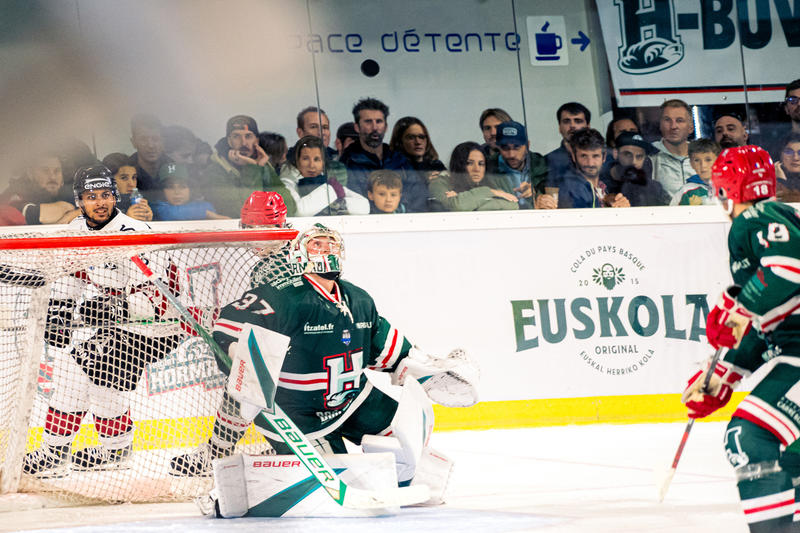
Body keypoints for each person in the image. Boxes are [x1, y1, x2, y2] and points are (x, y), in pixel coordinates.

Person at [207, 223, 478, 502]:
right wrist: (240, 353)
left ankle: (404, 482)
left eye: (331, 244)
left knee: (406, 444)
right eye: (317, 244)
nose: (326, 250)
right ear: (300, 253)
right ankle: (263, 474)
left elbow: (389, 349)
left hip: (355, 400)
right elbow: (228, 327)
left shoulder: (358, 299)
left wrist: (430, 372)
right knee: (334, 488)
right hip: (297, 414)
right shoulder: (283, 295)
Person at [20, 165, 182, 475]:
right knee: (104, 383)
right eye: (91, 196)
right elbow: (74, 273)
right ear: (79, 200)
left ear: (115, 196)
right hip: (122, 326)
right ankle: (115, 450)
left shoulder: (134, 234)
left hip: (157, 328)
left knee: (72, 369)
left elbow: (163, 299)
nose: (100, 202)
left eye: (106, 194)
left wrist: (118, 308)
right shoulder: (79, 231)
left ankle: (54, 454)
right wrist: (60, 308)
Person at [679, 145, 800, 532]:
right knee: (793, 458)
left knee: (748, 436)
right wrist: (720, 377)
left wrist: (738, 308)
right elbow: (767, 323)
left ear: (722, 191)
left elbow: (788, 270)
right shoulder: (780, 216)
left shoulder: (754, 219)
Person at [169, 191, 291, 476]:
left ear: (280, 226)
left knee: (243, 384)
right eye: (250, 228)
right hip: (302, 346)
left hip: (300, 349)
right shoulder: (281, 256)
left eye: (264, 229)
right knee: (248, 382)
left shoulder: (275, 265)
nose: (255, 237)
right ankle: (282, 447)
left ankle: (216, 454)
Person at [339, 97, 428, 213]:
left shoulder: (400, 160)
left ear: (386, 127)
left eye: (379, 121)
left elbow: (419, 200)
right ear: (357, 127)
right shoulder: (347, 163)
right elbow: (354, 204)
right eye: (368, 122)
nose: (375, 127)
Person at [197, 114, 295, 218]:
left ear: (256, 141)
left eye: (248, 136)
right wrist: (252, 168)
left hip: (264, 230)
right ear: (229, 141)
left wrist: (260, 167)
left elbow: (289, 207)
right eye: (236, 137)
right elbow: (243, 212)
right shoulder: (214, 172)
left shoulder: (261, 165)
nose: (243, 143)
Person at [279, 136, 369, 216]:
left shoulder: (330, 184)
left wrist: (338, 204)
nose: (312, 165)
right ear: (297, 162)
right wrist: (330, 193)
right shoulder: (288, 184)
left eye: (317, 159)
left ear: (323, 164)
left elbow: (364, 207)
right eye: (305, 158)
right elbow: (299, 211)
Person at [429, 141, 518, 212]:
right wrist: (489, 192)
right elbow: (457, 206)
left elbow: (513, 205)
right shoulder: (438, 183)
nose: (477, 169)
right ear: (459, 165)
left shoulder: (487, 183)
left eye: (481, 164)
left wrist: (466, 200)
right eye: (470, 163)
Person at [0, 152, 80, 225]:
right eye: (45, 171)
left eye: (57, 171)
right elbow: (39, 215)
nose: (52, 177)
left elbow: (91, 209)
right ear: (30, 174)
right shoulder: (15, 195)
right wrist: (77, 212)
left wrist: (74, 214)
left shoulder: (70, 195)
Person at [559, 128, 630, 209]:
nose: (590, 163)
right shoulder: (572, 190)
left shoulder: (604, 188)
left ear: (604, 157)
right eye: (584, 156)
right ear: (573, 157)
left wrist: (623, 209)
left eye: (595, 156)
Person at [486, 121, 550, 210]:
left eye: (516, 147)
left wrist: (536, 195)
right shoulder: (486, 169)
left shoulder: (544, 166)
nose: (511, 154)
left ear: (527, 146)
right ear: (498, 147)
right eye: (505, 148)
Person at [604, 133, 670, 207]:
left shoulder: (655, 189)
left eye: (639, 156)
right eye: (628, 155)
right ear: (615, 153)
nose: (633, 162)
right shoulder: (601, 185)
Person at [151, 163, 228, 221]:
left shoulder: (202, 205)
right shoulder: (156, 207)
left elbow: (208, 207)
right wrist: (205, 213)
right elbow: (171, 213)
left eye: (182, 186)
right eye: (170, 187)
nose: (177, 192)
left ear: (191, 189)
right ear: (162, 190)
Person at [652, 99, 695, 198]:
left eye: (679, 120)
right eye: (667, 120)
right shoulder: (650, 155)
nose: (673, 126)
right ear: (660, 125)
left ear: (691, 127)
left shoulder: (704, 155)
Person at [545, 102, 591, 185]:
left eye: (578, 121)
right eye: (566, 121)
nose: (572, 125)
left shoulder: (601, 157)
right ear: (559, 128)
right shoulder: (547, 161)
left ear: (588, 127)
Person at [101, 152, 153, 221]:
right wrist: (127, 220)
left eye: (134, 178)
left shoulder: (140, 202)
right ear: (108, 181)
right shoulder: (99, 206)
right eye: (124, 178)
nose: (131, 184)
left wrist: (148, 220)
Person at [127, 114, 170, 197]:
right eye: (143, 139)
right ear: (133, 142)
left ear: (163, 141)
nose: (151, 145)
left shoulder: (174, 169)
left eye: (155, 139)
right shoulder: (123, 172)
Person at [670, 139, 721, 206]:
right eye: (697, 160)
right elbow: (672, 215)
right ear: (691, 164)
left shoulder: (730, 188)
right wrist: (691, 209)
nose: (703, 165)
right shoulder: (685, 191)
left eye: (708, 160)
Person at [775, 131, 800, 203]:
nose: (795, 158)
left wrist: (781, 180)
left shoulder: (780, 179)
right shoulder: (770, 180)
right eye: (789, 152)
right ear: (780, 155)